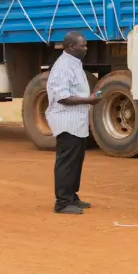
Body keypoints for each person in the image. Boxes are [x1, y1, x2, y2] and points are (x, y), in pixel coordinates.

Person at [46, 31, 103, 215]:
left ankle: (71, 197)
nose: (86, 48)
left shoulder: (74, 63)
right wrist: (90, 100)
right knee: (67, 162)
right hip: (66, 121)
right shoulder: (63, 66)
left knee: (76, 161)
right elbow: (62, 97)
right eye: (83, 45)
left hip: (76, 122)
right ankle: (62, 202)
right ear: (71, 46)